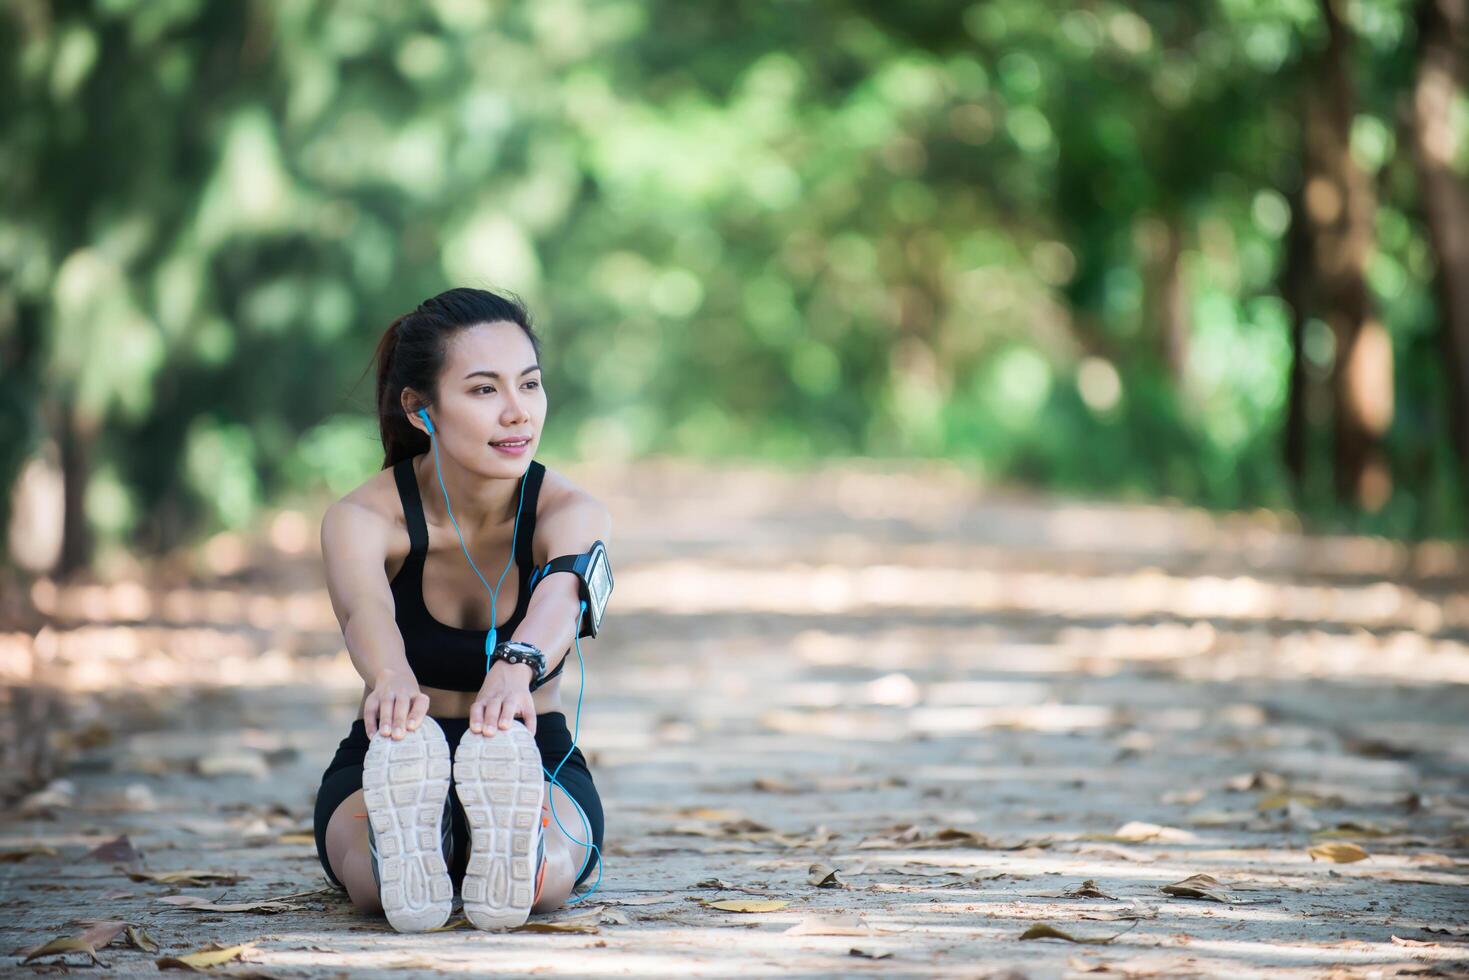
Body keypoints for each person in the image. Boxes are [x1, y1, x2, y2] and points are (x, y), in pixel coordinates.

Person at [311, 287, 608, 932]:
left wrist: (517, 666)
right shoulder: (362, 519)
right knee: (370, 887)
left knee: (544, 883)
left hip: (528, 748)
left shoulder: (569, 511)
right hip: (396, 748)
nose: (516, 413)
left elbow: (562, 593)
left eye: (529, 385)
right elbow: (366, 614)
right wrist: (391, 678)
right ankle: (414, 843)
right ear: (421, 409)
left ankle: (508, 844)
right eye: (483, 390)